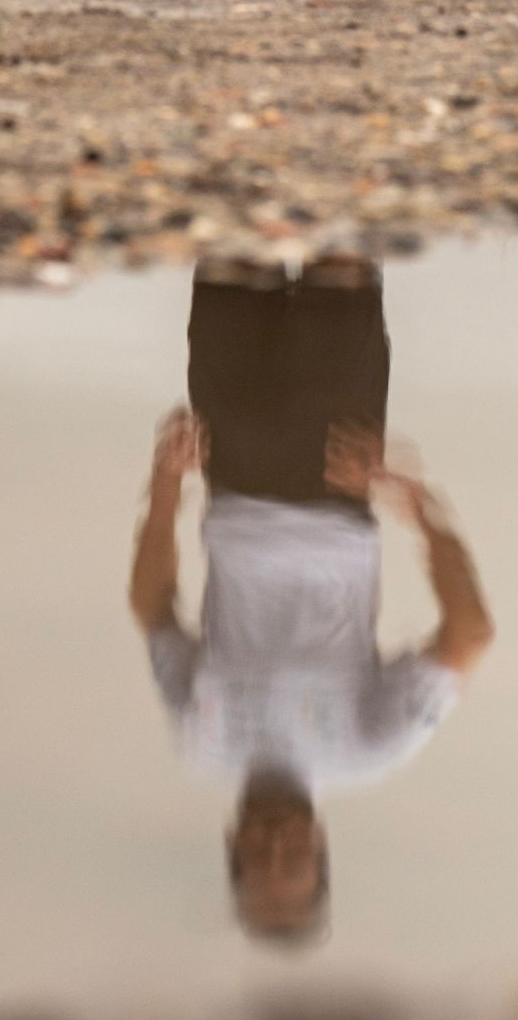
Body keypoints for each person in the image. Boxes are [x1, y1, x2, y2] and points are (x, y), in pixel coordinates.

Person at [126, 258, 495, 945]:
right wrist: (415, 503)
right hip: (335, 477)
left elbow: (151, 606)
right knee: (339, 267)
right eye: (292, 862)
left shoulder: (200, 745)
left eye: (258, 861)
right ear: (321, 848)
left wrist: (166, 485)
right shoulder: (367, 749)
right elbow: (469, 635)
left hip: (228, 471)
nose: (274, 846)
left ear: (230, 846)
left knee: (233, 255)